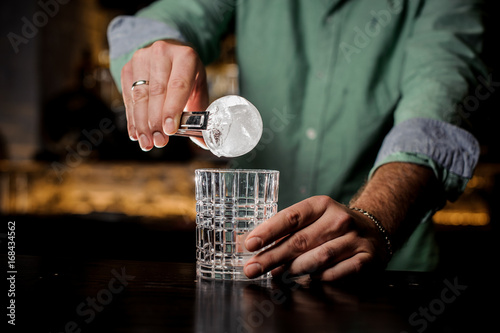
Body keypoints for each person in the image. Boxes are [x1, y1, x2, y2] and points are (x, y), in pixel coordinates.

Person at [107, 0, 486, 281]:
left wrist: (375, 220)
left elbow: (436, 112)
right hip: (251, 269)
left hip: (387, 274)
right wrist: (154, 48)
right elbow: (169, 17)